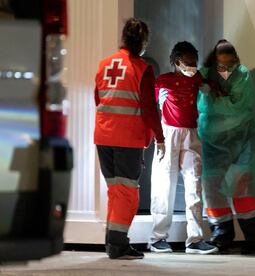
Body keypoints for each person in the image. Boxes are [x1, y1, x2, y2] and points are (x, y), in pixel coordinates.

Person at [94, 18, 165, 260]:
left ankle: (112, 241)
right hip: (127, 139)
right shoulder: (142, 68)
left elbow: (98, 98)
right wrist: (160, 136)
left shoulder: (105, 64)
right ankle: (118, 245)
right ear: (143, 41)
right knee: (127, 192)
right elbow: (149, 107)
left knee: (115, 190)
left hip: (103, 136)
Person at [149, 41, 218, 255]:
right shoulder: (162, 82)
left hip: (191, 133)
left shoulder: (196, 78)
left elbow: (206, 85)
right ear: (177, 62)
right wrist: (156, 136)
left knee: (194, 184)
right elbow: (151, 106)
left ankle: (195, 239)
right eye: (188, 63)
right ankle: (158, 238)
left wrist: (213, 87)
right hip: (168, 133)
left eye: (194, 63)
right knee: (164, 185)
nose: (192, 66)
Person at [197, 39, 255, 254]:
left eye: (229, 64)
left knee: (241, 188)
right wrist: (222, 100)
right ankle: (221, 236)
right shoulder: (205, 73)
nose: (225, 69)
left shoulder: (243, 74)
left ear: (235, 59)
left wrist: (217, 100)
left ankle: (254, 239)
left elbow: (240, 106)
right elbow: (202, 104)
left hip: (241, 140)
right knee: (212, 187)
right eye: (221, 65)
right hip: (212, 142)